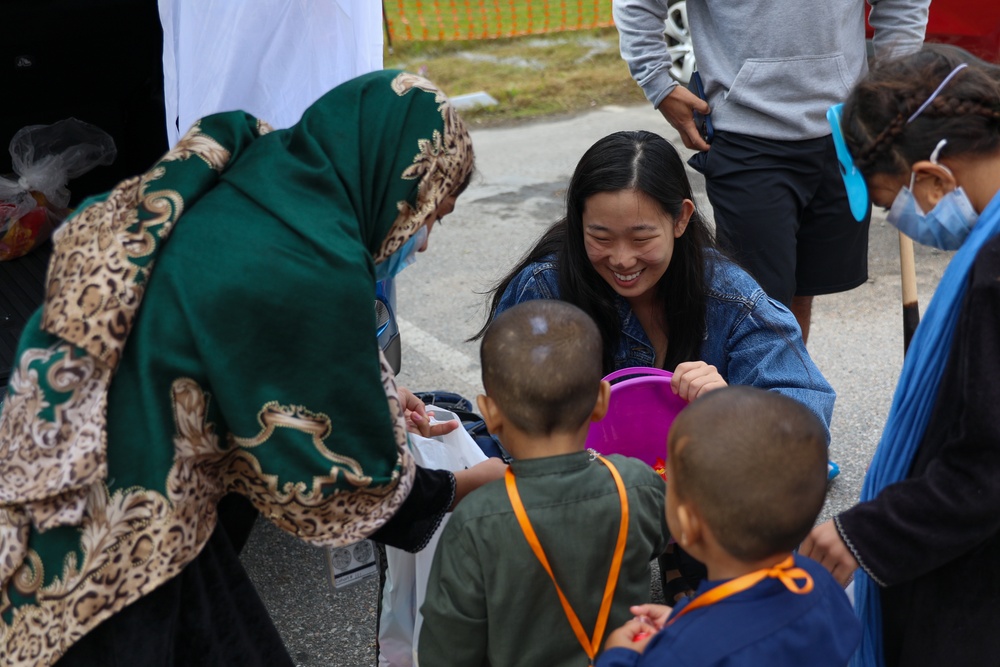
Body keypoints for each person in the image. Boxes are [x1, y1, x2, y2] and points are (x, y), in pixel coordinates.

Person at [0, 69, 507, 667]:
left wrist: (377, 388)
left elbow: (257, 333)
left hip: (103, 464)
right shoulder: (312, 268)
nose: (420, 241)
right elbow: (342, 480)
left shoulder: (264, 181)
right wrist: (457, 488)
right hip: (109, 537)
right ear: (395, 181)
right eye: (430, 214)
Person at [477, 129, 837, 599]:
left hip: (692, 499)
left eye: (641, 237)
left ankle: (685, 558)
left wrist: (733, 408)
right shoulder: (545, 289)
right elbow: (510, 414)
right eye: (599, 237)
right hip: (578, 491)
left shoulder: (732, 298)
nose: (622, 259)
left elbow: (804, 420)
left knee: (731, 581)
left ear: (681, 219)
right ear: (577, 223)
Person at [801, 47, 1000, 666]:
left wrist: (867, 535)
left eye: (892, 204)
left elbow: (988, 465)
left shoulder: (995, 275)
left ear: (934, 176)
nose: (901, 221)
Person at [611, 0, 930, 342]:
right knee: (757, 301)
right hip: (746, 132)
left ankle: (788, 392)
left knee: (798, 292)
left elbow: (903, 3)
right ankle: (747, 391)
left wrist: (892, 85)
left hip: (841, 129)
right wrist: (658, 84)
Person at [418, 299, 670, 667]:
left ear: (489, 413)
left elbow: (447, 651)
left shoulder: (474, 522)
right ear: (602, 400)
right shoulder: (636, 485)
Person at [597, 386, 861, 667]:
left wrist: (618, 656)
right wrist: (682, 619)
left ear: (687, 523)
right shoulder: (820, 582)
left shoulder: (679, 654)